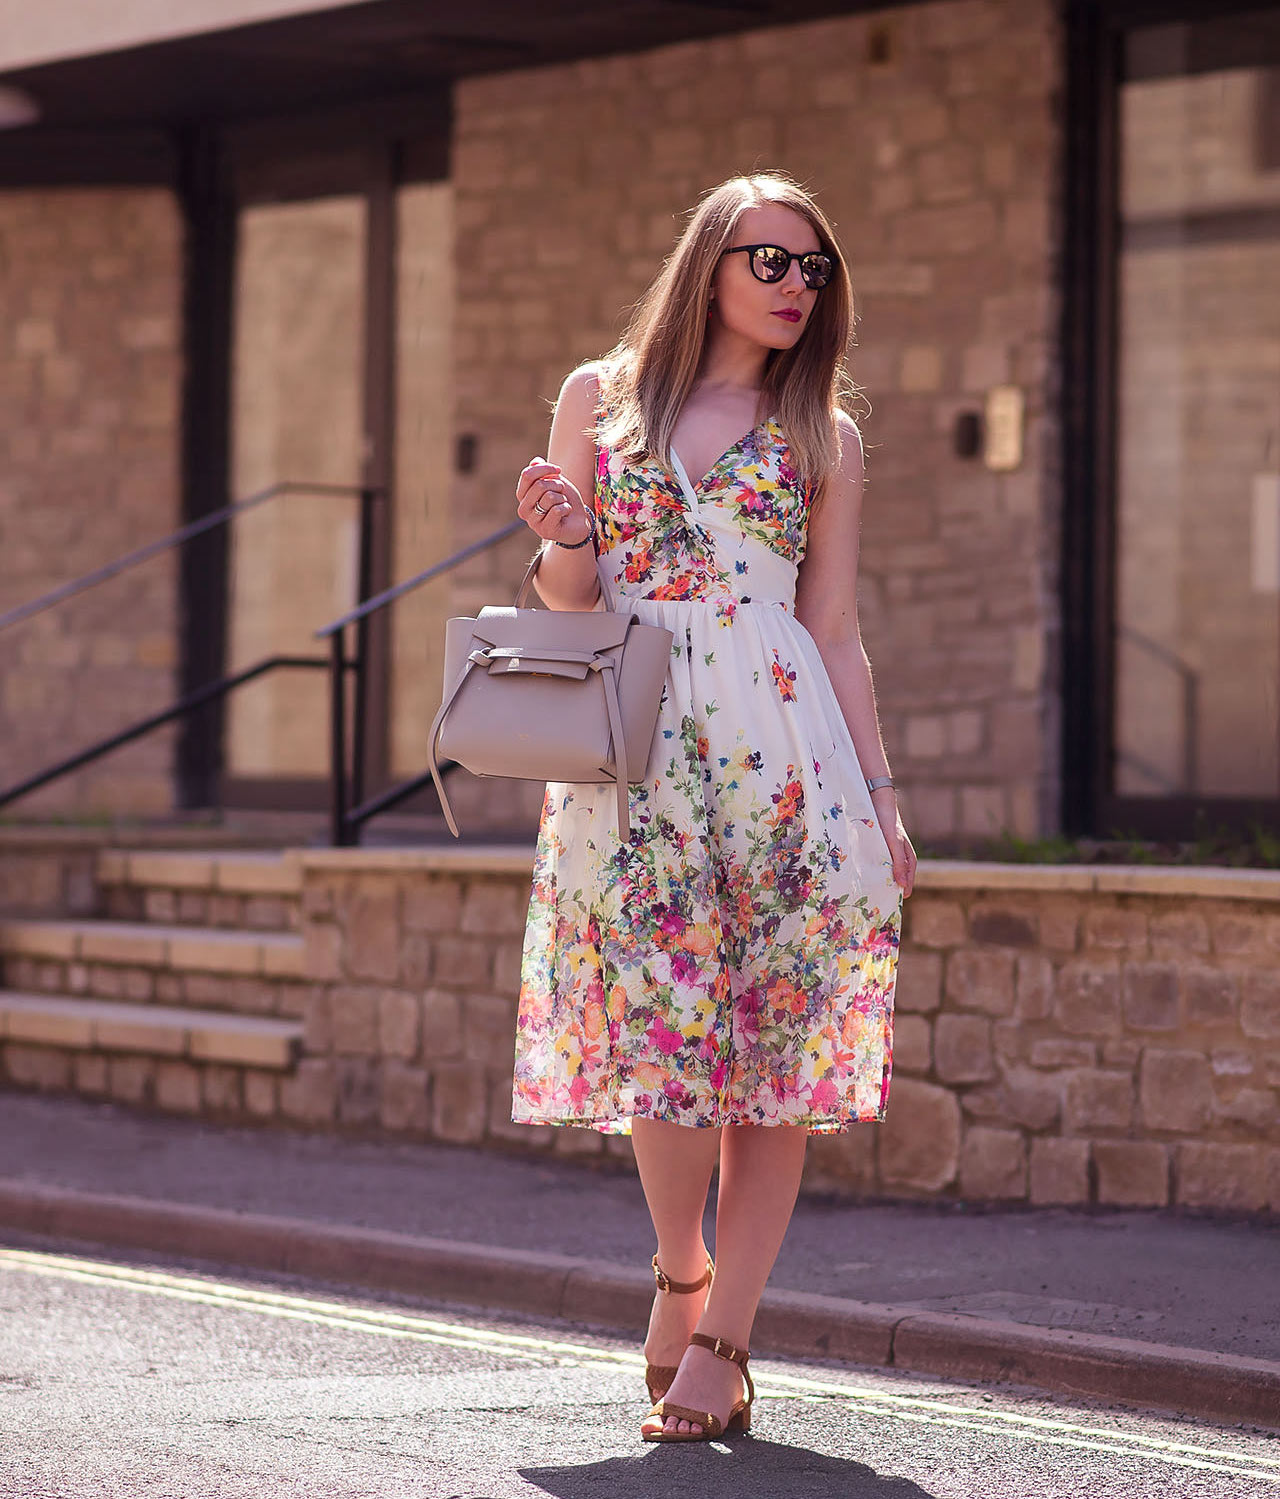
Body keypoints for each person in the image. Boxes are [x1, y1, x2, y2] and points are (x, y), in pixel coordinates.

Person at [510, 171, 915, 1443]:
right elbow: (567, 601)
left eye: (817, 270)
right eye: (774, 261)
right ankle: (681, 1269)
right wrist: (567, 531)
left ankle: (726, 1337)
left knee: (774, 1061)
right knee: (662, 1046)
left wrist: (884, 804)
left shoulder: (822, 434)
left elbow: (835, 629)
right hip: (635, 761)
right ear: (712, 261)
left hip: (783, 758)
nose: (799, 287)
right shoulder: (602, 397)